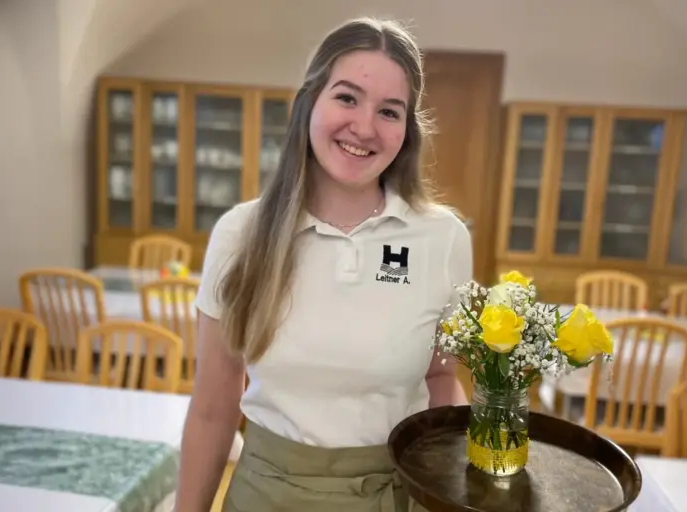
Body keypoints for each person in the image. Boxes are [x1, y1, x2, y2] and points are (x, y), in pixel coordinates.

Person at [174, 17, 473, 512]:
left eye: (390, 111)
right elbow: (211, 411)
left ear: (407, 130)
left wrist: (454, 489)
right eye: (347, 97)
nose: (364, 127)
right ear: (310, 100)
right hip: (267, 495)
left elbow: (440, 378)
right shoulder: (240, 234)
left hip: (396, 495)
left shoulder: (442, 238)